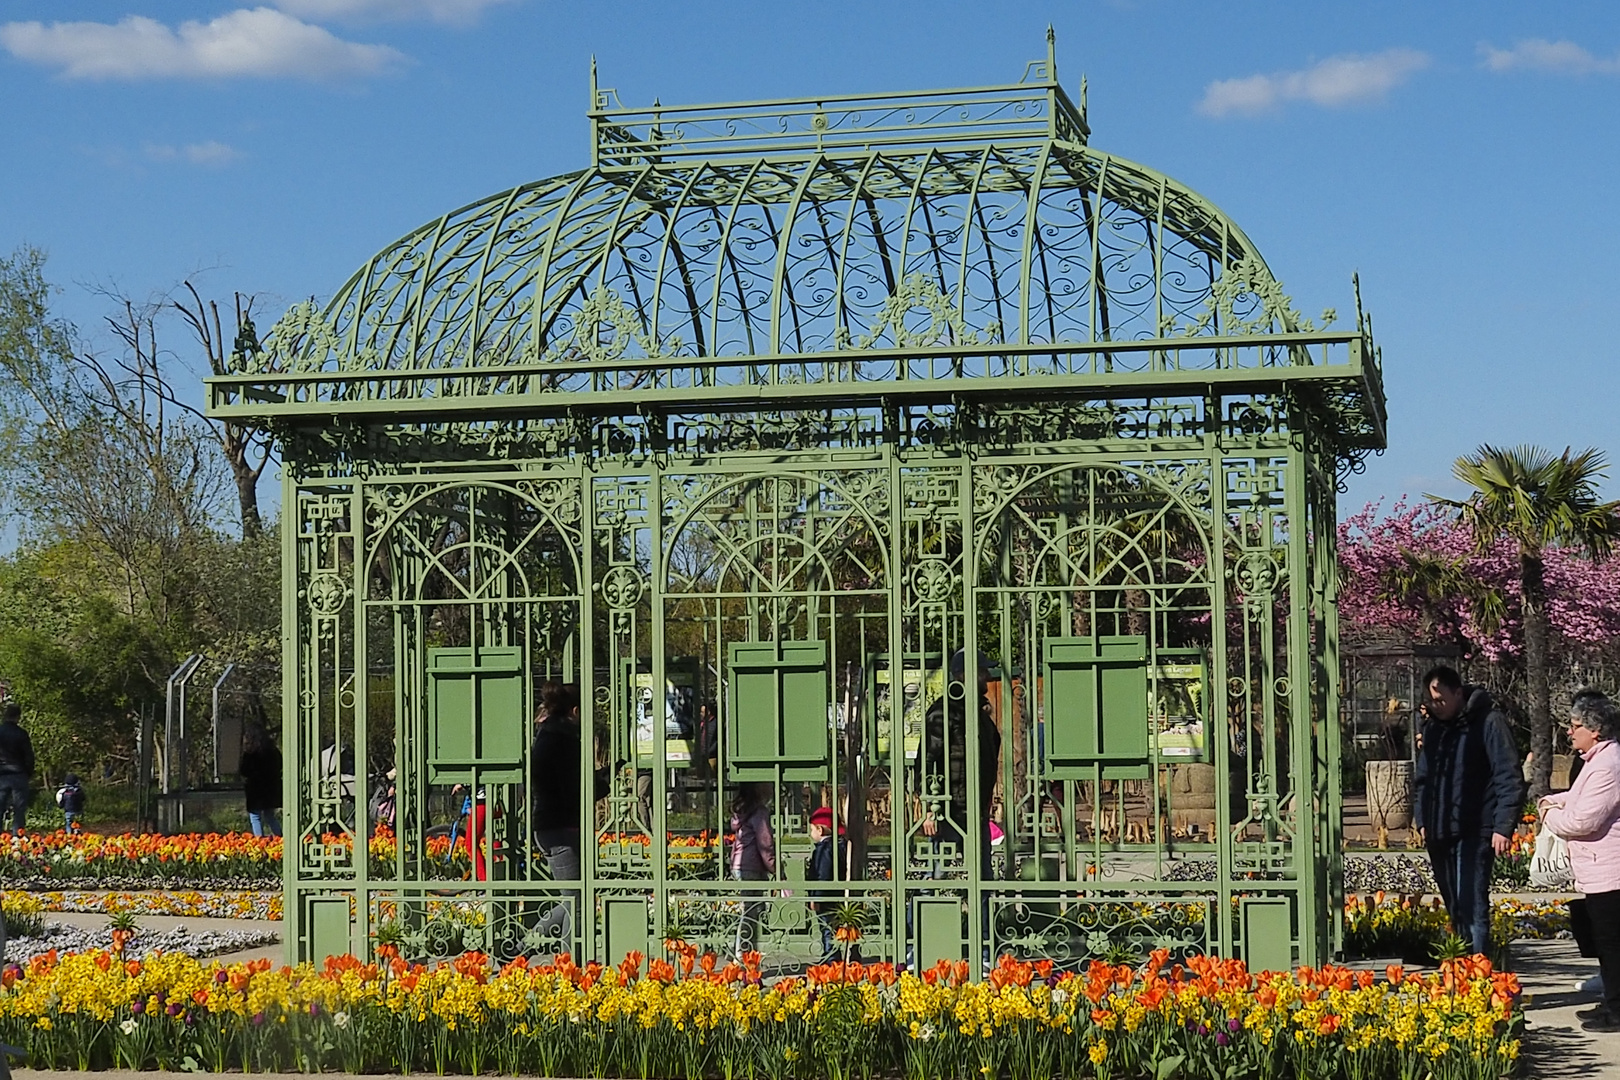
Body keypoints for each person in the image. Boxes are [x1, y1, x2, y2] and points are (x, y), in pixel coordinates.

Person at [1412, 665, 1525, 956]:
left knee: (1472, 904)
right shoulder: (1435, 729)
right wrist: (1422, 818)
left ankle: (1478, 969)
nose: (1435, 707)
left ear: (1458, 693)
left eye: (1441, 700)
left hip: (1475, 829)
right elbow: (1424, 778)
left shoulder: (1488, 723)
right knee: (1454, 905)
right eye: (1431, 701)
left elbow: (1507, 775)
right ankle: (1460, 968)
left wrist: (1503, 826)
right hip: (1439, 830)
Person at [1538, 689, 1620, 1031]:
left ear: (1595, 729)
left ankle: (1616, 1010)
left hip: (1610, 869)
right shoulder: (1596, 761)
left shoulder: (1608, 764)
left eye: (1575, 726)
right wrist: (1556, 801)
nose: (1569, 732)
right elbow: (1576, 798)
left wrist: (1548, 815)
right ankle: (1611, 1002)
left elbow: (1582, 821)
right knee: (1604, 942)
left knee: (1612, 944)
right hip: (1597, 868)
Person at [531, 682, 611, 942]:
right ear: (575, 711)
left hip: (551, 825)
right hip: (560, 827)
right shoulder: (563, 740)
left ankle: (541, 952)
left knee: (575, 897)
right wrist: (603, 783)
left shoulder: (547, 735)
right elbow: (575, 788)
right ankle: (552, 956)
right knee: (575, 899)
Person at [919, 649, 1001, 878]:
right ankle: (919, 915)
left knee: (982, 880)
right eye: (983, 671)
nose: (988, 676)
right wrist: (930, 809)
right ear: (968, 674)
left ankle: (981, 915)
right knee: (935, 878)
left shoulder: (980, 714)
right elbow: (927, 760)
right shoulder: (944, 711)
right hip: (949, 812)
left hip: (976, 812)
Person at [729, 780, 775, 959]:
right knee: (751, 910)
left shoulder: (742, 811)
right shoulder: (759, 812)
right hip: (752, 865)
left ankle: (744, 949)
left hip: (739, 864)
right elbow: (766, 843)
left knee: (749, 908)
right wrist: (775, 867)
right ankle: (743, 952)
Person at [805, 805, 847, 962]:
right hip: (836, 896)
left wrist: (816, 898)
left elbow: (822, 876)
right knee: (831, 928)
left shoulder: (824, 849)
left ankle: (831, 958)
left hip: (826, 899)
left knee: (827, 929)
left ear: (820, 830)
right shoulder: (839, 846)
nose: (811, 834)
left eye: (812, 830)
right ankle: (831, 956)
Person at [238, 725, 283, 838]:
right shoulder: (273, 751)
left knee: (255, 816)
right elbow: (279, 766)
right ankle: (280, 838)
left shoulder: (250, 753)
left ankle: (260, 841)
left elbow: (244, 770)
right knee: (270, 816)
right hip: (271, 787)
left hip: (255, 789)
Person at [0, 703, 34, 832]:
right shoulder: (21, 734)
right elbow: (29, 757)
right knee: (19, 810)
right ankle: (17, 839)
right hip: (19, 774)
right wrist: (28, 773)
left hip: (2, 775)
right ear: (18, 717)